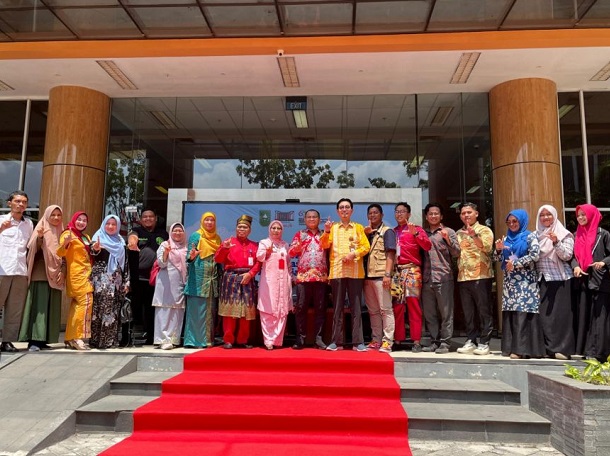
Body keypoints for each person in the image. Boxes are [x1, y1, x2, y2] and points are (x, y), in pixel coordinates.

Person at [320, 198, 370, 352]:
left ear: (352, 210)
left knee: (356, 308)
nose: (344, 210)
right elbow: (324, 245)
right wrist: (326, 231)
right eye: (341, 207)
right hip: (337, 272)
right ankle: (336, 341)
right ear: (337, 211)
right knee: (337, 308)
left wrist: (353, 254)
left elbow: (366, 247)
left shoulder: (358, 228)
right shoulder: (332, 228)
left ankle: (358, 342)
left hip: (355, 273)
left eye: (347, 207)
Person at [494, 209, 544, 359]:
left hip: (525, 281)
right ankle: (510, 348)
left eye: (515, 221)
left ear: (522, 221)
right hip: (510, 282)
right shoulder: (507, 239)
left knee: (523, 312)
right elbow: (497, 260)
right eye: (508, 222)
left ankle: (522, 350)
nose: (512, 224)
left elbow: (535, 255)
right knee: (512, 313)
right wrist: (498, 250)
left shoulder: (530, 236)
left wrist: (516, 263)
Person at [20, 205, 64, 351]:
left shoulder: (62, 232)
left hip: (56, 275)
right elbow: (33, 249)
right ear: (47, 216)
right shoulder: (41, 228)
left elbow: (66, 255)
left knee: (52, 307)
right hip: (41, 274)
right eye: (53, 215)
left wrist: (62, 270)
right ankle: (34, 340)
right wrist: (39, 237)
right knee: (39, 308)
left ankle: (45, 338)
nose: (56, 218)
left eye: (59, 215)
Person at [214, 215, 261, 349]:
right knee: (230, 311)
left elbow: (259, 263)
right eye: (239, 227)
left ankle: (243, 339)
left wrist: (251, 274)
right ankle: (228, 339)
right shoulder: (228, 242)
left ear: (249, 230)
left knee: (245, 311)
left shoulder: (254, 245)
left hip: (247, 278)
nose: (242, 229)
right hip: (231, 278)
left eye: (245, 227)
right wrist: (225, 248)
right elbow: (218, 259)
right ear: (235, 228)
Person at [535, 204, 575, 360]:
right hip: (543, 280)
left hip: (560, 280)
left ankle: (563, 349)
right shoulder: (535, 235)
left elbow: (567, 256)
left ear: (555, 216)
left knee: (561, 316)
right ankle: (549, 348)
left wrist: (556, 242)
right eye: (542, 215)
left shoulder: (564, 234)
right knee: (545, 316)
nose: (545, 218)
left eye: (548, 215)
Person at [571, 204, 610, 361]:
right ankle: (586, 351)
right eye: (578, 215)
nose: (580, 217)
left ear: (592, 215)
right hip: (583, 281)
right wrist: (575, 267)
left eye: (583, 214)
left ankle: (599, 353)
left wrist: (604, 262)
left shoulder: (603, 234)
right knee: (585, 316)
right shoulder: (576, 235)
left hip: (601, 281)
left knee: (599, 318)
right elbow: (572, 256)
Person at [455, 202, 495, 356]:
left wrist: (473, 235)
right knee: (468, 312)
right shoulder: (458, 233)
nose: (466, 215)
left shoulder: (484, 230)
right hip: (463, 276)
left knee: (484, 310)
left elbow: (487, 248)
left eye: (469, 212)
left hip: (481, 275)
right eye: (463, 213)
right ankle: (471, 340)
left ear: (476, 214)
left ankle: (485, 342)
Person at [421, 203, 461, 354]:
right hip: (426, 278)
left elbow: (457, 253)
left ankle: (445, 343)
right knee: (430, 313)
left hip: (443, 277)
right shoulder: (422, 233)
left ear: (441, 216)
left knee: (446, 313)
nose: (433, 216)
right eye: (430, 214)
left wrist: (447, 240)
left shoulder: (448, 231)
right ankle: (434, 341)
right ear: (426, 216)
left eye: (436, 213)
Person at [393, 202, 431, 352]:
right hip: (396, 272)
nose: (399, 214)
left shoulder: (417, 229)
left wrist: (415, 233)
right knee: (397, 306)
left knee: (414, 305)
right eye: (397, 211)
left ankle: (416, 340)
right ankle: (398, 339)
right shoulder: (393, 231)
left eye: (403, 211)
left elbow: (427, 246)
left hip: (412, 270)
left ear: (408, 214)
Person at [126, 209, 168, 345]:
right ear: (141, 219)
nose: (148, 219)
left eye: (151, 216)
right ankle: (128, 337)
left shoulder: (163, 233)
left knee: (151, 308)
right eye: (145, 217)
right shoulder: (137, 230)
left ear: (156, 218)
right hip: (138, 278)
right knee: (135, 307)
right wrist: (132, 243)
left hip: (156, 278)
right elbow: (132, 237)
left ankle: (151, 337)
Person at [288, 209, 328, 350]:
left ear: (319, 219)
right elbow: (291, 253)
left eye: (314, 217)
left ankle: (319, 339)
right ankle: (300, 339)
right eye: (309, 217)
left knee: (321, 309)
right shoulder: (300, 234)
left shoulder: (325, 234)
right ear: (305, 220)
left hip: (320, 277)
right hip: (303, 278)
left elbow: (330, 249)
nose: (311, 219)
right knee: (300, 309)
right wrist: (297, 247)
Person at [0, 190, 34, 352]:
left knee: (15, 309)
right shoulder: (1, 221)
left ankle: (7, 341)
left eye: (24, 202)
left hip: (20, 271)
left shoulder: (28, 224)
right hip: (2, 270)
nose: (21, 204)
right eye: (18, 201)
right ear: (10, 203)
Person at [90, 215, 130, 349]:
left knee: (113, 311)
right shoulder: (97, 238)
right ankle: (97, 340)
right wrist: (95, 248)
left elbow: (125, 264)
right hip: (101, 280)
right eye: (108, 224)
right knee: (100, 310)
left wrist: (126, 281)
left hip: (117, 281)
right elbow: (93, 253)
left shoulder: (120, 242)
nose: (111, 227)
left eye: (114, 224)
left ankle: (110, 341)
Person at [184, 213, 221, 348]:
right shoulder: (196, 236)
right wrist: (192, 256)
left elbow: (219, 260)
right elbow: (189, 256)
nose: (209, 222)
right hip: (197, 280)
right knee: (196, 311)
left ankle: (208, 340)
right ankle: (193, 341)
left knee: (210, 311)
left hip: (212, 281)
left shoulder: (217, 239)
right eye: (207, 220)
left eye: (212, 220)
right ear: (202, 221)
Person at [57, 211, 93, 351]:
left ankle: (70, 338)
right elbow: (60, 253)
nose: (81, 222)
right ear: (74, 220)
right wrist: (65, 244)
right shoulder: (67, 234)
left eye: (84, 220)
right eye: (79, 219)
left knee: (77, 306)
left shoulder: (85, 236)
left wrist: (95, 249)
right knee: (85, 303)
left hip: (87, 274)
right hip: (77, 275)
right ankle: (78, 337)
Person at [363, 203, 396, 354]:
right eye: (370, 213)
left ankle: (387, 341)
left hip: (381, 276)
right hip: (367, 277)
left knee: (386, 310)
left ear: (382, 215)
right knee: (373, 311)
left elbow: (391, 253)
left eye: (376, 213)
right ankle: (376, 339)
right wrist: (365, 234)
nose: (373, 215)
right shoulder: (366, 232)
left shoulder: (387, 231)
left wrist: (387, 274)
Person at [257, 220, 293, 350]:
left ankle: (277, 340)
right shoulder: (264, 243)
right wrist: (267, 251)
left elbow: (288, 263)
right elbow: (259, 257)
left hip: (283, 281)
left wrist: (290, 277)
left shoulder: (285, 245)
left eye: (279, 228)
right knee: (268, 309)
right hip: (269, 282)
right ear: (269, 229)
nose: (276, 230)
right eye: (273, 228)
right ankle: (268, 340)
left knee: (281, 309)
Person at [153, 222, 187, 350]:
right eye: (175, 231)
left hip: (179, 282)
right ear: (170, 232)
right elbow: (161, 263)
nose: (177, 233)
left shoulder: (186, 246)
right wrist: (166, 253)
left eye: (180, 231)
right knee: (164, 309)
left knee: (177, 310)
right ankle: (162, 339)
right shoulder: (165, 244)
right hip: (166, 281)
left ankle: (173, 339)